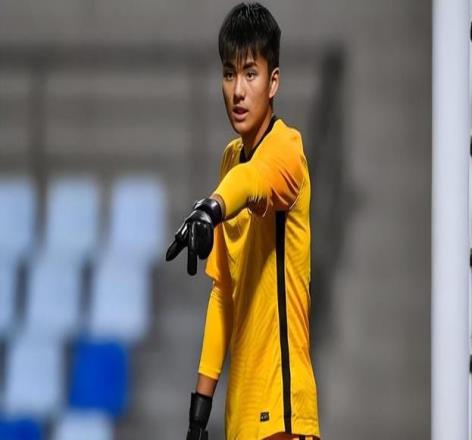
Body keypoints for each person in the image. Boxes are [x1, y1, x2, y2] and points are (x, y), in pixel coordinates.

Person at [166, 3, 320, 439]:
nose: (237, 90)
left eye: (251, 74)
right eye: (229, 73)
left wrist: (210, 208)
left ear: (274, 82)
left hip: (285, 415)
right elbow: (223, 294)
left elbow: (252, 182)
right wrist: (199, 413)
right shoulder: (230, 159)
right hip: (242, 418)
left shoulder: (287, 148)